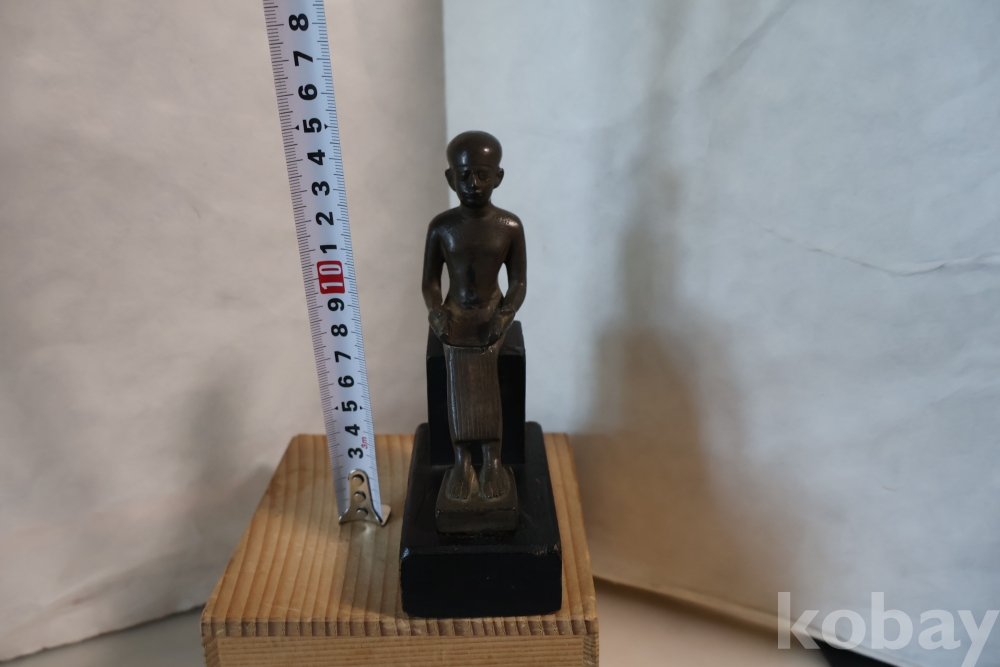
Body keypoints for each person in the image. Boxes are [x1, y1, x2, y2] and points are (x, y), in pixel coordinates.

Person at [421, 131, 526, 505]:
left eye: (483, 174)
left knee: (487, 364)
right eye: (464, 175)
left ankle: (492, 457)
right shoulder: (442, 226)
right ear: (451, 178)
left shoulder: (509, 227)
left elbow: (518, 283)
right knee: (455, 365)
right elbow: (430, 283)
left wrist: (505, 314)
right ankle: (462, 458)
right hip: (455, 312)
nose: (474, 184)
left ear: (498, 176)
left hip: (491, 312)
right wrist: (436, 312)